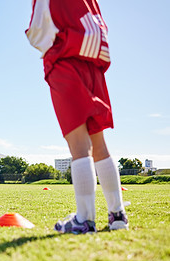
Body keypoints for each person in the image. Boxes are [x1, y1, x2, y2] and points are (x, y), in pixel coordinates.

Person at [26, 0, 128, 233]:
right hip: (92, 65)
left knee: (79, 147)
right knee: (99, 144)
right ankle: (117, 214)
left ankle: (85, 219)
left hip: (65, 63)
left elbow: (37, 31)